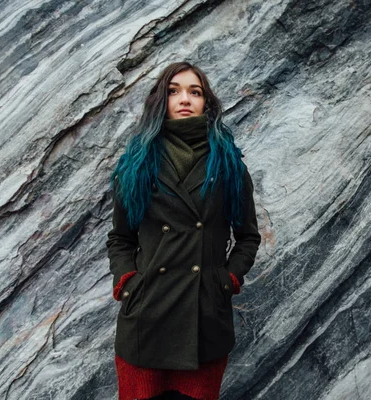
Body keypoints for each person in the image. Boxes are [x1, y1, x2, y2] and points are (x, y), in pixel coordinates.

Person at [106, 61, 261, 400]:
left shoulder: (229, 165)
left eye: (195, 91)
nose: (184, 98)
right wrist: (128, 282)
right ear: (161, 101)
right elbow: (120, 238)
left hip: (203, 320)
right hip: (146, 319)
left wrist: (226, 280)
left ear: (207, 103)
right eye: (174, 91)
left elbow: (248, 236)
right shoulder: (136, 164)